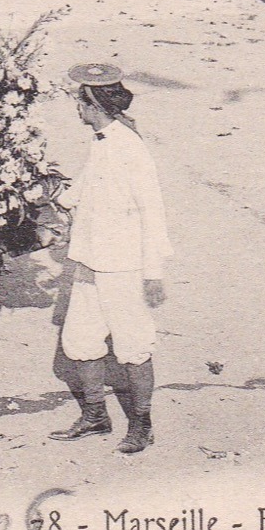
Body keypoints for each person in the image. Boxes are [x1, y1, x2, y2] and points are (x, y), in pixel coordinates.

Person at [50, 64, 172, 454]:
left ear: (94, 104)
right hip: (88, 260)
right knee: (80, 341)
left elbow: (152, 211)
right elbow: (88, 182)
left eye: (79, 103)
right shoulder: (103, 140)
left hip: (123, 266)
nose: (77, 110)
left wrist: (153, 273)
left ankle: (142, 425)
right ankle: (96, 416)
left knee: (133, 346)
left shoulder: (130, 148)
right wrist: (53, 196)